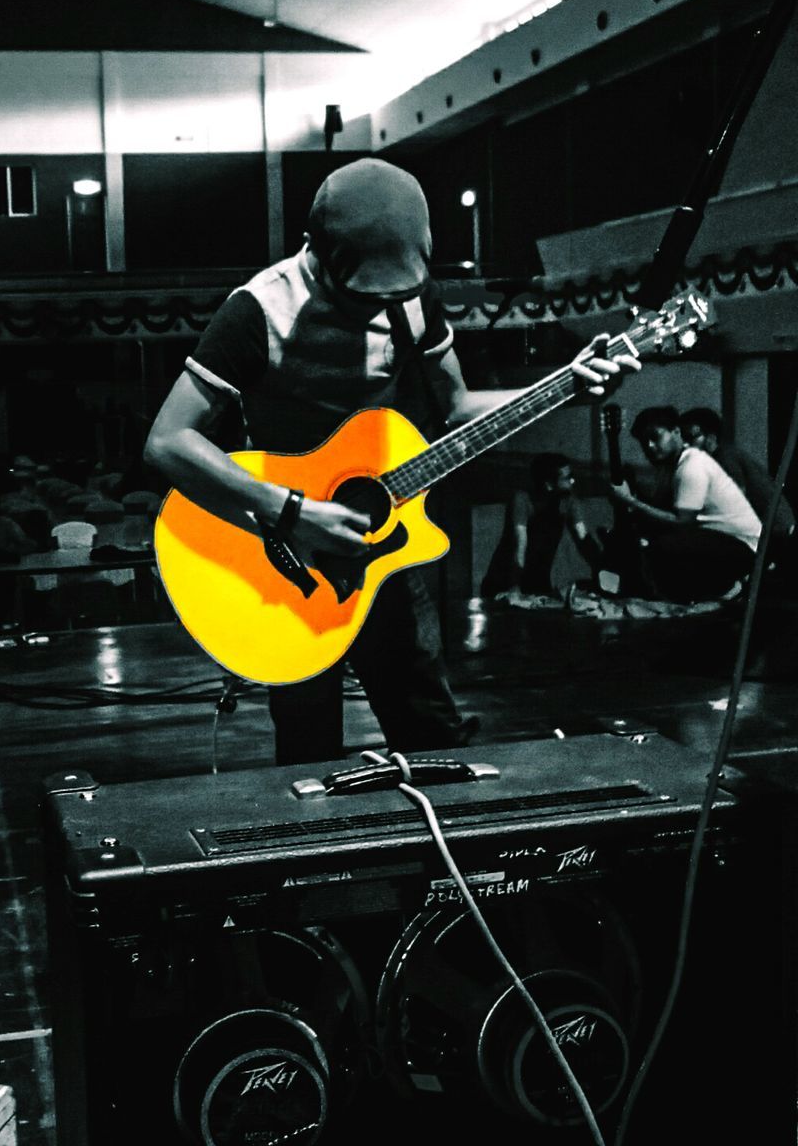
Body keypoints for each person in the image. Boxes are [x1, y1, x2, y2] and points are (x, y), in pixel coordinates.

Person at [144, 158, 637, 764]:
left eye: (393, 295)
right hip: (284, 556)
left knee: (432, 731)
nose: (375, 309)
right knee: (309, 750)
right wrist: (294, 511)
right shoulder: (257, 311)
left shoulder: (415, 302)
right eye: (358, 296)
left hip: (381, 546)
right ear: (318, 254)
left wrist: (568, 383)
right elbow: (167, 441)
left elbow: (456, 406)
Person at [612, 406, 761, 603]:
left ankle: (726, 585)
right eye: (643, 442)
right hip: (718, 541)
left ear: (676, 432)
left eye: (655, 437)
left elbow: (682, 522)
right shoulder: (670, 467)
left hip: (743, 548)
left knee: (665, 545)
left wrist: (630, 501)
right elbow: (657, 512)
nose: (649, 446)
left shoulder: (692, 465)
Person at [481, 453, 603, 601]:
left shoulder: (569, 501)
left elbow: (584, 540)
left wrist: (603, 573)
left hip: (538, 584)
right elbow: (520, 545)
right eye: (566, 478)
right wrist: (514, 587)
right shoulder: (522, 500)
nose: (572, 480)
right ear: (549, 485)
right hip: (504, 581)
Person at [679, 407, 794, 541]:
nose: (685, 445)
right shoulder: (721, 457)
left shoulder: (725, 458)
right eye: (683, 439)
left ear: (711, 437)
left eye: (690, 437)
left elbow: (735, 500)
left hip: (773, 530)